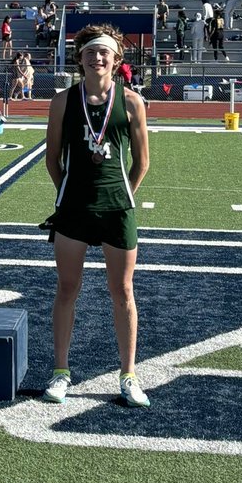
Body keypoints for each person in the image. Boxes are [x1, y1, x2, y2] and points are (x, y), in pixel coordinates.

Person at [42, 23, 151, 408]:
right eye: (90, 52)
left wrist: (122, 195)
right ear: (80, 59)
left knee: (122, 292)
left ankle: (129, 374)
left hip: (117, 210)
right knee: (67, 288)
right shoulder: (62, 101)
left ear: (116, 59)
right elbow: (51, 159)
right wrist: (67, 193)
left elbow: (142, 163)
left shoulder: (133, 102)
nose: (97, 57)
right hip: (73, 209)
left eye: (104, 52)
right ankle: (60, 372)